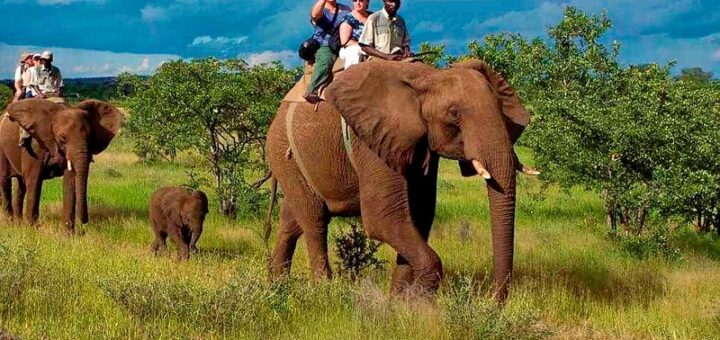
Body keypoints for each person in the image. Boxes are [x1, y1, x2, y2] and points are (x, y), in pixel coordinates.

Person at [304, 0, 351, 104]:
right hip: (323, 45)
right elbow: (315, 15)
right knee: (326, 60)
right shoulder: (320, 9)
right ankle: (312, 90)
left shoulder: (346, 9)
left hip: (342, 43)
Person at [338, 0, 372, 69]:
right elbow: (345, 42)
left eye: (361, 0)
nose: (358, 3)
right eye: (355, 0)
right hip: (351, 48)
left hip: (371, 47)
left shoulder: (372, 16)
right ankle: (350, 76)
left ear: (367, 2)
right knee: (354, 51)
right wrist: (364, 47)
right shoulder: (348, 18)